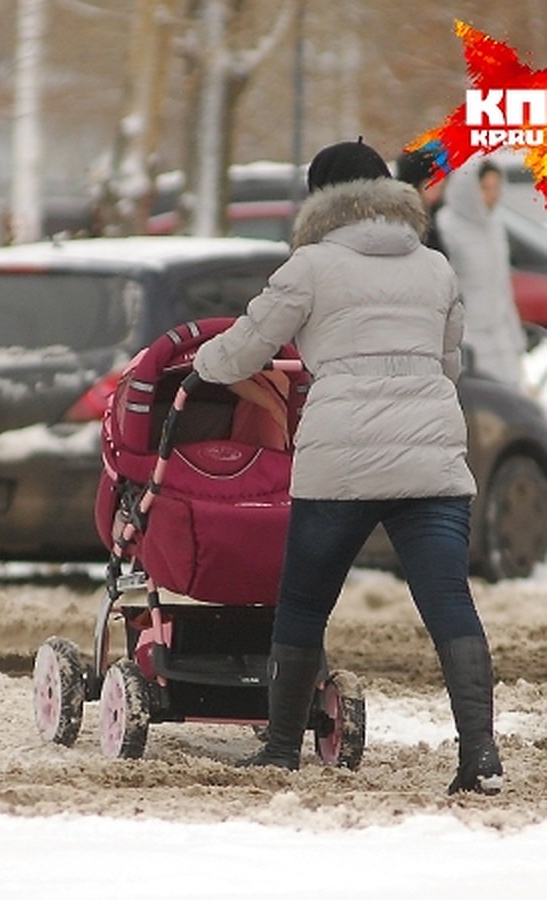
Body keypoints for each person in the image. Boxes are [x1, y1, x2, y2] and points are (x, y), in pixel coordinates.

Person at [192, 139, 503, 795]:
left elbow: (246, 349)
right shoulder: (435, 267)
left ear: (320, 200)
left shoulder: (310, 267)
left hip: (342, 461)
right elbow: (448, 365)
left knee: (303, 604)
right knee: (449, 603)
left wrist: (200, 367)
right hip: (431, 461)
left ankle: (280, 750)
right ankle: (480, 758)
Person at [436, 158, 527, 386]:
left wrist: (516, 341)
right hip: (469, 339)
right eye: (485, 188)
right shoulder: (447, 225)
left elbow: (502, 286)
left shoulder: (495, 224)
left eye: (496, 187)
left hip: (501, 337)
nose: (492, 195)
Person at [395, 148, 447, 254]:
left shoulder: (435, 215)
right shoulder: (399, 219)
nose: (437, 193)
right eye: (431, 186)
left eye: (440, 187)